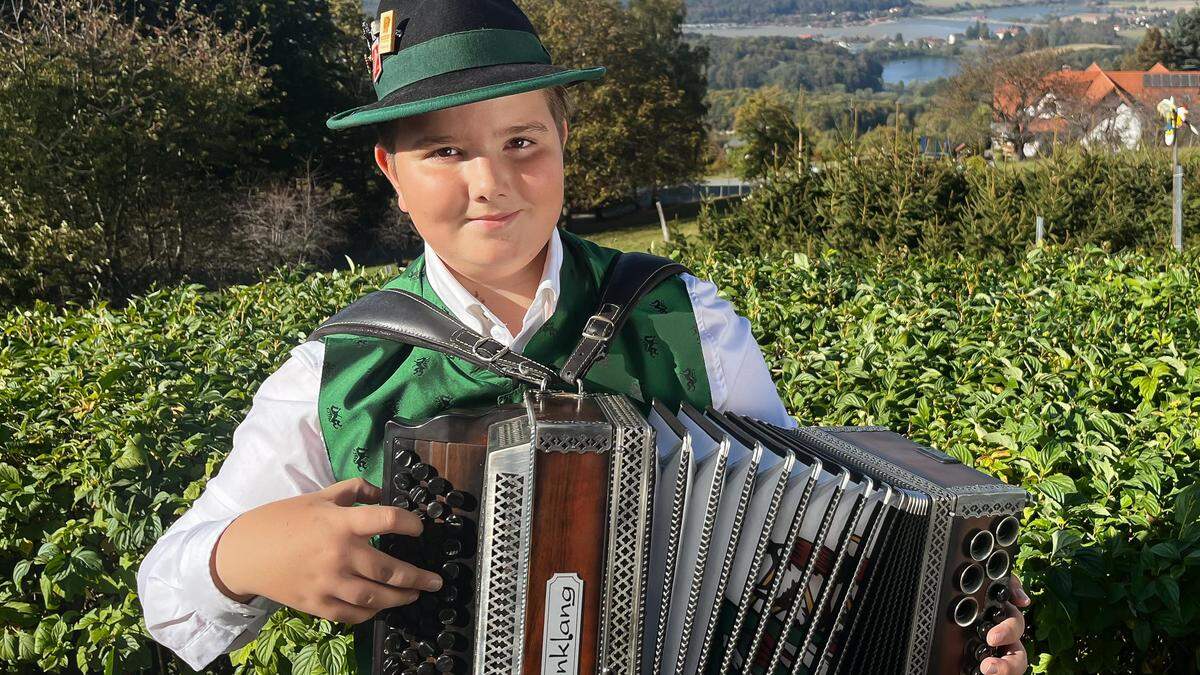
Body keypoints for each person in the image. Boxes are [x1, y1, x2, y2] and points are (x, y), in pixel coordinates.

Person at [136, 1, 1031, 673]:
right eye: (444, 153)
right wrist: (239, 554)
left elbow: (803, 547)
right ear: (391, 174)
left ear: (565, 138)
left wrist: (941, 614)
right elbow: (165, 592)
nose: (490, 181)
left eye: (522, 140)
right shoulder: (339, 370)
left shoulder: (690, 319)